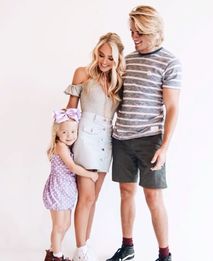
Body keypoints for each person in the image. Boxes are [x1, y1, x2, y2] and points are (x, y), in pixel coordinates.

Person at [106, 5, 182, 261]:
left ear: (154, 31)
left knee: (153, 197)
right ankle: (128, 247)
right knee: (126, 193)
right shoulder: (127, 60)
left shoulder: (170, 62)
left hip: (150, 140)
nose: (134, 37)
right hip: (122, 138)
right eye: (132, 32)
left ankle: (164, 254)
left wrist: (165, 147)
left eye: (139, 33)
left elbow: (172, 107)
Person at [64, 32, 125, 261]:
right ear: (96, 52)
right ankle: (80, 250)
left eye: (110, 58)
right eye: (101, 55)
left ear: (118, 59)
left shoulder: (120, 80)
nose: (104, 61)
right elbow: (70, 109)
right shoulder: (83, 73)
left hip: (107, 139)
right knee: (86, 197)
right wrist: (62, 139)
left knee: (93, 198)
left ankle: (84, 246)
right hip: (85, 136)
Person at [43, 108, 98, 261]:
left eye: (73, 132)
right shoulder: (60, 146)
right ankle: (57, 257)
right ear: (57, 133)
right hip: (58, 189)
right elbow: (72, 167)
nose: (69, 136)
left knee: (65, 224)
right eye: (65, 132)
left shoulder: (67, 146)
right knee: (59, 226)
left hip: (66, 191)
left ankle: (53, 252)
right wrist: (91, 175)